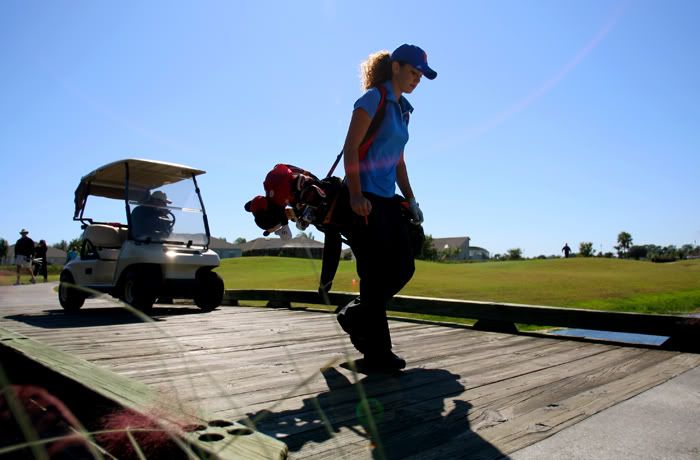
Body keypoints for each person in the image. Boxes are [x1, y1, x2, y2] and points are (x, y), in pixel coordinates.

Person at [335, 44, 436, 371]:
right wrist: (354, 195)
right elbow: (350, 148)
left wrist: (412, 198)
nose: (417, 79)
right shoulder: (372, 100)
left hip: (388, 200)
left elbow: (399, 161)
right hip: (363, 199)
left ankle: (355, 314)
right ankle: (377, 354)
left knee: (404, 266)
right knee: (375, 275)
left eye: (421, 76)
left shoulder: (404, 109)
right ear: (395, 67)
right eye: (413, 72)